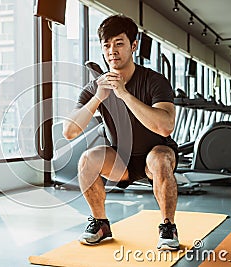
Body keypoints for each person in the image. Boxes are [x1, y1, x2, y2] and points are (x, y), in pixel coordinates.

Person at [62, 14, 179, 250]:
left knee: (160, 159)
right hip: (121, 159)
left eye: (119, 43)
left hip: (154, 155)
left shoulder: (154, 81)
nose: (112, 50)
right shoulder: (96, 88)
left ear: (133, 45)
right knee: (87, 160)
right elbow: (69, 132)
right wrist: (98, 97)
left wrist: (124, 94)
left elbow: (165, 126)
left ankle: (168, 226)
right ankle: (100, 222)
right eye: (106, 45)